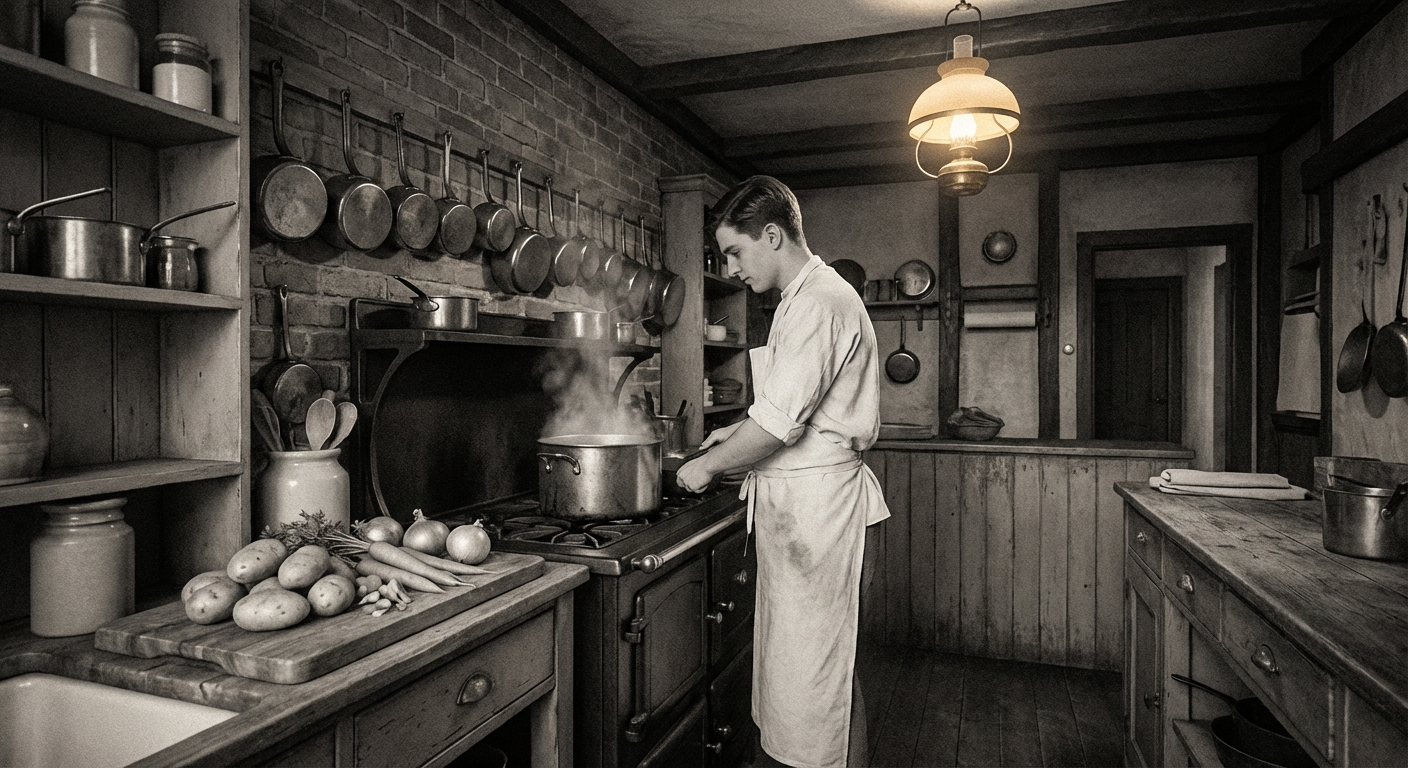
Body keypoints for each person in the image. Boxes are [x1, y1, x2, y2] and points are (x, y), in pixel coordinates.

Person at [676, 175, 890, 768]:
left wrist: (705, 467)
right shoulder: (802, 297)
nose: (731, 268)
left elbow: (778, 428)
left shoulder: (819, 300)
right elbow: (789, 409)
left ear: (772, 235)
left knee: (823, 686)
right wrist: (735, 432)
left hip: (824, 519)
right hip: (807, 518)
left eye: (735, 252)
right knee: (813, 681)